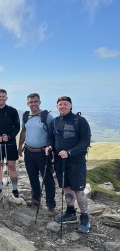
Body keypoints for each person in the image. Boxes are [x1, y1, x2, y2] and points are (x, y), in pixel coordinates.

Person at [46, 96, 91, 233]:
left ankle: (85, 217)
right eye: (60, 104)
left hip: (76, 162)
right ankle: (70, 213)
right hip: (60, 161)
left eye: (65, 104)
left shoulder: (80, 121)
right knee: (66, 188)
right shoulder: (55, 122)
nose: (62, 106)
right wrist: (50, 148)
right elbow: (51, 138)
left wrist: (70, 152)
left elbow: (85, 142)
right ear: (57, 106)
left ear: (70, 105)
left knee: (78, 190)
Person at [18, 93, 56, 215]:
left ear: (40, 102)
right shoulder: (26, 116)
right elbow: (23, 131)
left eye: (35, 101)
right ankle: (36, 199)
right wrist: (19, 146)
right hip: (28, 152)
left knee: (48, 179)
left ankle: (51, 205)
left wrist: (52, 150)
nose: (33, 104)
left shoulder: (47, 116)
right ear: (27, 104)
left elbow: (52, 135)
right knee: (32, 177)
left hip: (43, 153)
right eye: (31, 102)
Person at [0, 89, 22, 204]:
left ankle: (15, 190)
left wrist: (10, 137)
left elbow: (17, 127)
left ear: (6, 98)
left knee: (11, 166)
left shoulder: (12, 111)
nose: (1, 98)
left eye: (3, 96)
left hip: (10, 143)